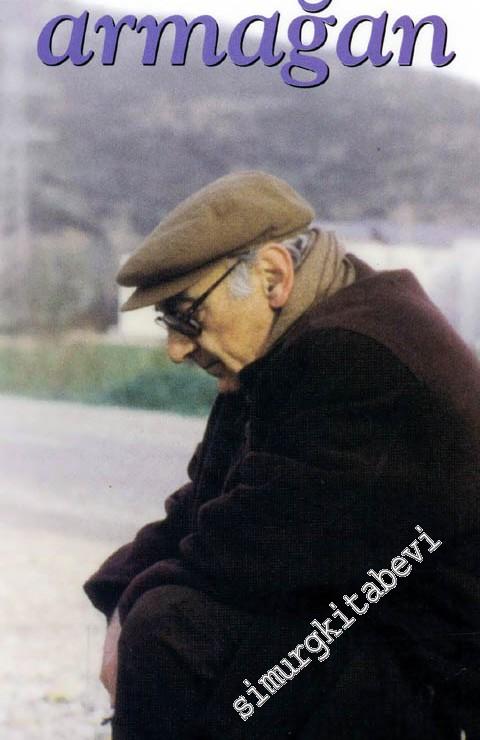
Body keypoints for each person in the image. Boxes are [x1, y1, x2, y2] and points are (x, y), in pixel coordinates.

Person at [84, 171, 480, 739]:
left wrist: (131, 606)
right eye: (167, 321)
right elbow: (205, 501)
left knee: (169, 630)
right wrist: (119, 586)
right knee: (169, 622)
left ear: (273, 276)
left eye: (186, 315)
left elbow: (254, 551)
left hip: (437, 683)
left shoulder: (361, 357)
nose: (175, 348)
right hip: (373, 640)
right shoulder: (286, 345)